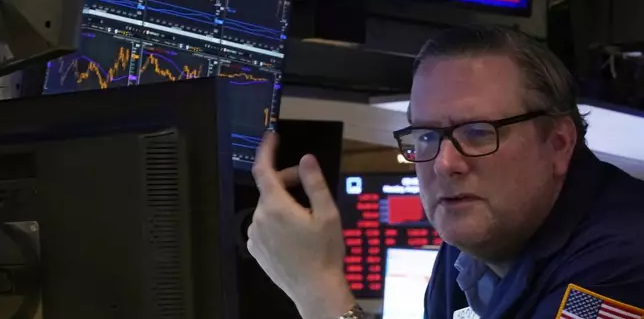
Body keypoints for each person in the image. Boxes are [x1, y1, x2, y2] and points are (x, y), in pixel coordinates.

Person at [246, 24, 644, 319]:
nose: (444, 164)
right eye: (425, 136)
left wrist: (319, 290)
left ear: (558, 144)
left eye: (477, 133)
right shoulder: (474, 242)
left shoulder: (621, 267)